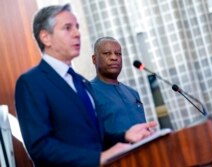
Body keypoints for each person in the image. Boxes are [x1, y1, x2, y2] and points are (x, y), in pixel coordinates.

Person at [14, 4, 156, 167]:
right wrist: (97, 159)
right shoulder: (31, 83)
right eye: (67, 28)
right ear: (46, 37)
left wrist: (125, 136)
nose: (77, 34)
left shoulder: (80, 82)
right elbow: (40, 148)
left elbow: (95, 138)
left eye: (77, 27)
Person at [91, 37, 146, 149]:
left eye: (118, 54)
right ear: (94, 59)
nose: (114, 58)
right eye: (107, 53)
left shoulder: (133, 93)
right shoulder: (88, 91)